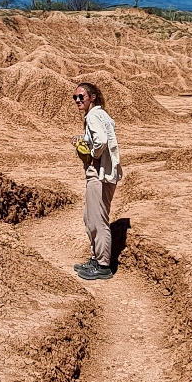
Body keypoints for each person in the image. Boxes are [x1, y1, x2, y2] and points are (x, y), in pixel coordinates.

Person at [71, 83, 123, 281]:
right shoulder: (102, 115)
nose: (77, 100)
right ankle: (95, 258)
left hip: (99, 174)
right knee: (90, 217)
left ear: (92, 97)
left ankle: (102, 265)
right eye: (75, 97)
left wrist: (93, 155)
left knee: (98, 220)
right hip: (107, 172)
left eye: (81, 96)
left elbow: (100, 141)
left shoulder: (92, 116)